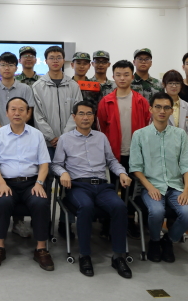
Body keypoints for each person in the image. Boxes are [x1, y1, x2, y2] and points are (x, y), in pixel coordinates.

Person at [52, 101, 133, 279]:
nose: (85, 117)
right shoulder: (65, 139)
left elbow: (112, 161)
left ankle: (118, 256)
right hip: (78, 186)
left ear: (94, 117)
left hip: (102, 186)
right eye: (81, 114)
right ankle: (85, 255)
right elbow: (56, 164)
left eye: (89, 114)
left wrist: (122, 173)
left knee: (119, 207)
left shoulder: (101, 137)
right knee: (86, 206)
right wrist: (63, 173)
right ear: (74, 117)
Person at [0, 97, 54, 271]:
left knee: (40, 202)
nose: (17, 113)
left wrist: (39, 183)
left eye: (21, 110)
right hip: (6, 182)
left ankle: (41, 249)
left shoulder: (37, 135)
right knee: (2, 202)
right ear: (7, 112)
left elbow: (44, 163)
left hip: (31, 183)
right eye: (13, 109)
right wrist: (1, 184)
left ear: (28, 113)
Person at [130, 93, 188, 263]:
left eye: (167, 107)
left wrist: (187, 191)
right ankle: (154, 241)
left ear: (171, 111)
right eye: (158, 107)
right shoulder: (139, 135)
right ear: (150, 109)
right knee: (157, 211)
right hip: (151, 186)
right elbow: (135, 167)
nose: (162, 111)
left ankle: (169, 240)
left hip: (175, 186)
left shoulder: (180, 134)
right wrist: (149, 187)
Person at [32, 46, 83, 238]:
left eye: (59, 57)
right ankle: (43, 222)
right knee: (44, 184)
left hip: (70, 144)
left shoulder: (73, 85)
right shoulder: (38, 86)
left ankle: (65, 223)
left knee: (68, 184)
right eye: (51, 58)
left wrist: (64, 137)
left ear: (64, 60)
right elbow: (37, 116)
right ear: (46, 61)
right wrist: (51, 137)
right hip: (47, 145)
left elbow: (77, 112)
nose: (55, 60)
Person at [97, 59, 150, 239]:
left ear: (132, 77)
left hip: (135, 154)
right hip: (113, 155)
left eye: (126, 74)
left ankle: (129, 221)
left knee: (131, 189)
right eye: (118, 75)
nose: (122, 78)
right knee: (110, 189)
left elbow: (146, 127)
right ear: (113, 77)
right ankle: (108, 223)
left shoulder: (141, 101)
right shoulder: (106, 101)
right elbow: (101, 129)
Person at [0, 52, 35, 238]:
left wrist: (16, 129)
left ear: (16, 67)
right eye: (3, 65)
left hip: (22, 137)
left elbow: (28, 112)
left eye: (10, 65)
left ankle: (18, 222)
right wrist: (3, 132)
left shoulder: (25, 88)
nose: (7, 68)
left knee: (19, 176)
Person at [162, 69, 188, 149]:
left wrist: (187, 149)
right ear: (164, 84)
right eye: (170, 83)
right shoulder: (158, 105)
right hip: (163, 147)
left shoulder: (187, 106)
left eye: (177, 83)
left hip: (183, 148)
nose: (174, 86)